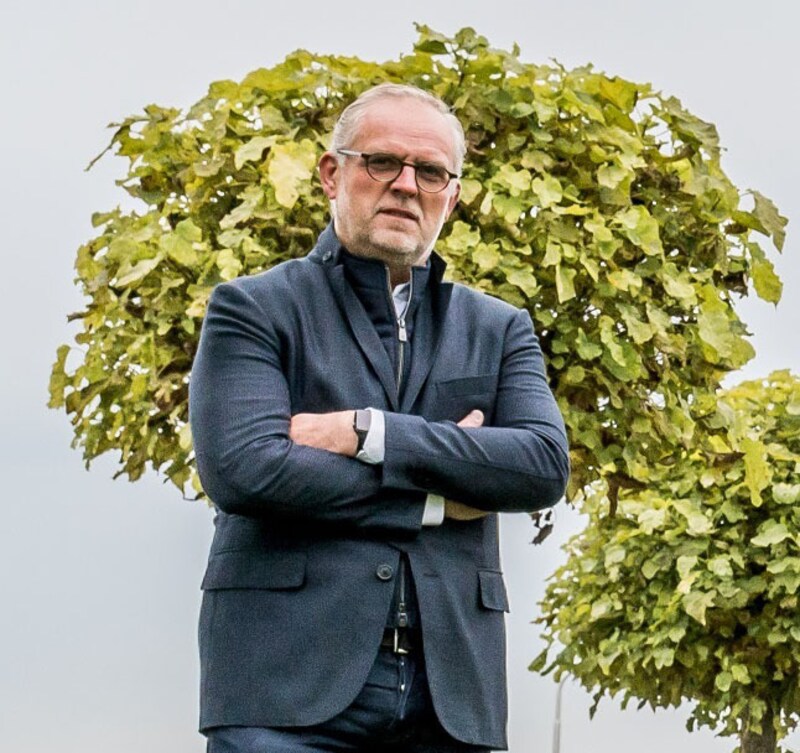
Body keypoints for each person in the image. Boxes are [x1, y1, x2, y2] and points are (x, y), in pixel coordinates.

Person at [189, 82, 570, 753]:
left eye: (430, 171)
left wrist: (368, 433)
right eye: (382, 162)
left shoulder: (499, 327)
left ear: (452, 195)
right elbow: (247, 470)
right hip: (281, 692)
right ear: (332, 173)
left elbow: (540, 466)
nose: (406, 185)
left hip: (451, 698)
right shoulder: (252, 309)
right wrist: (436, 499)